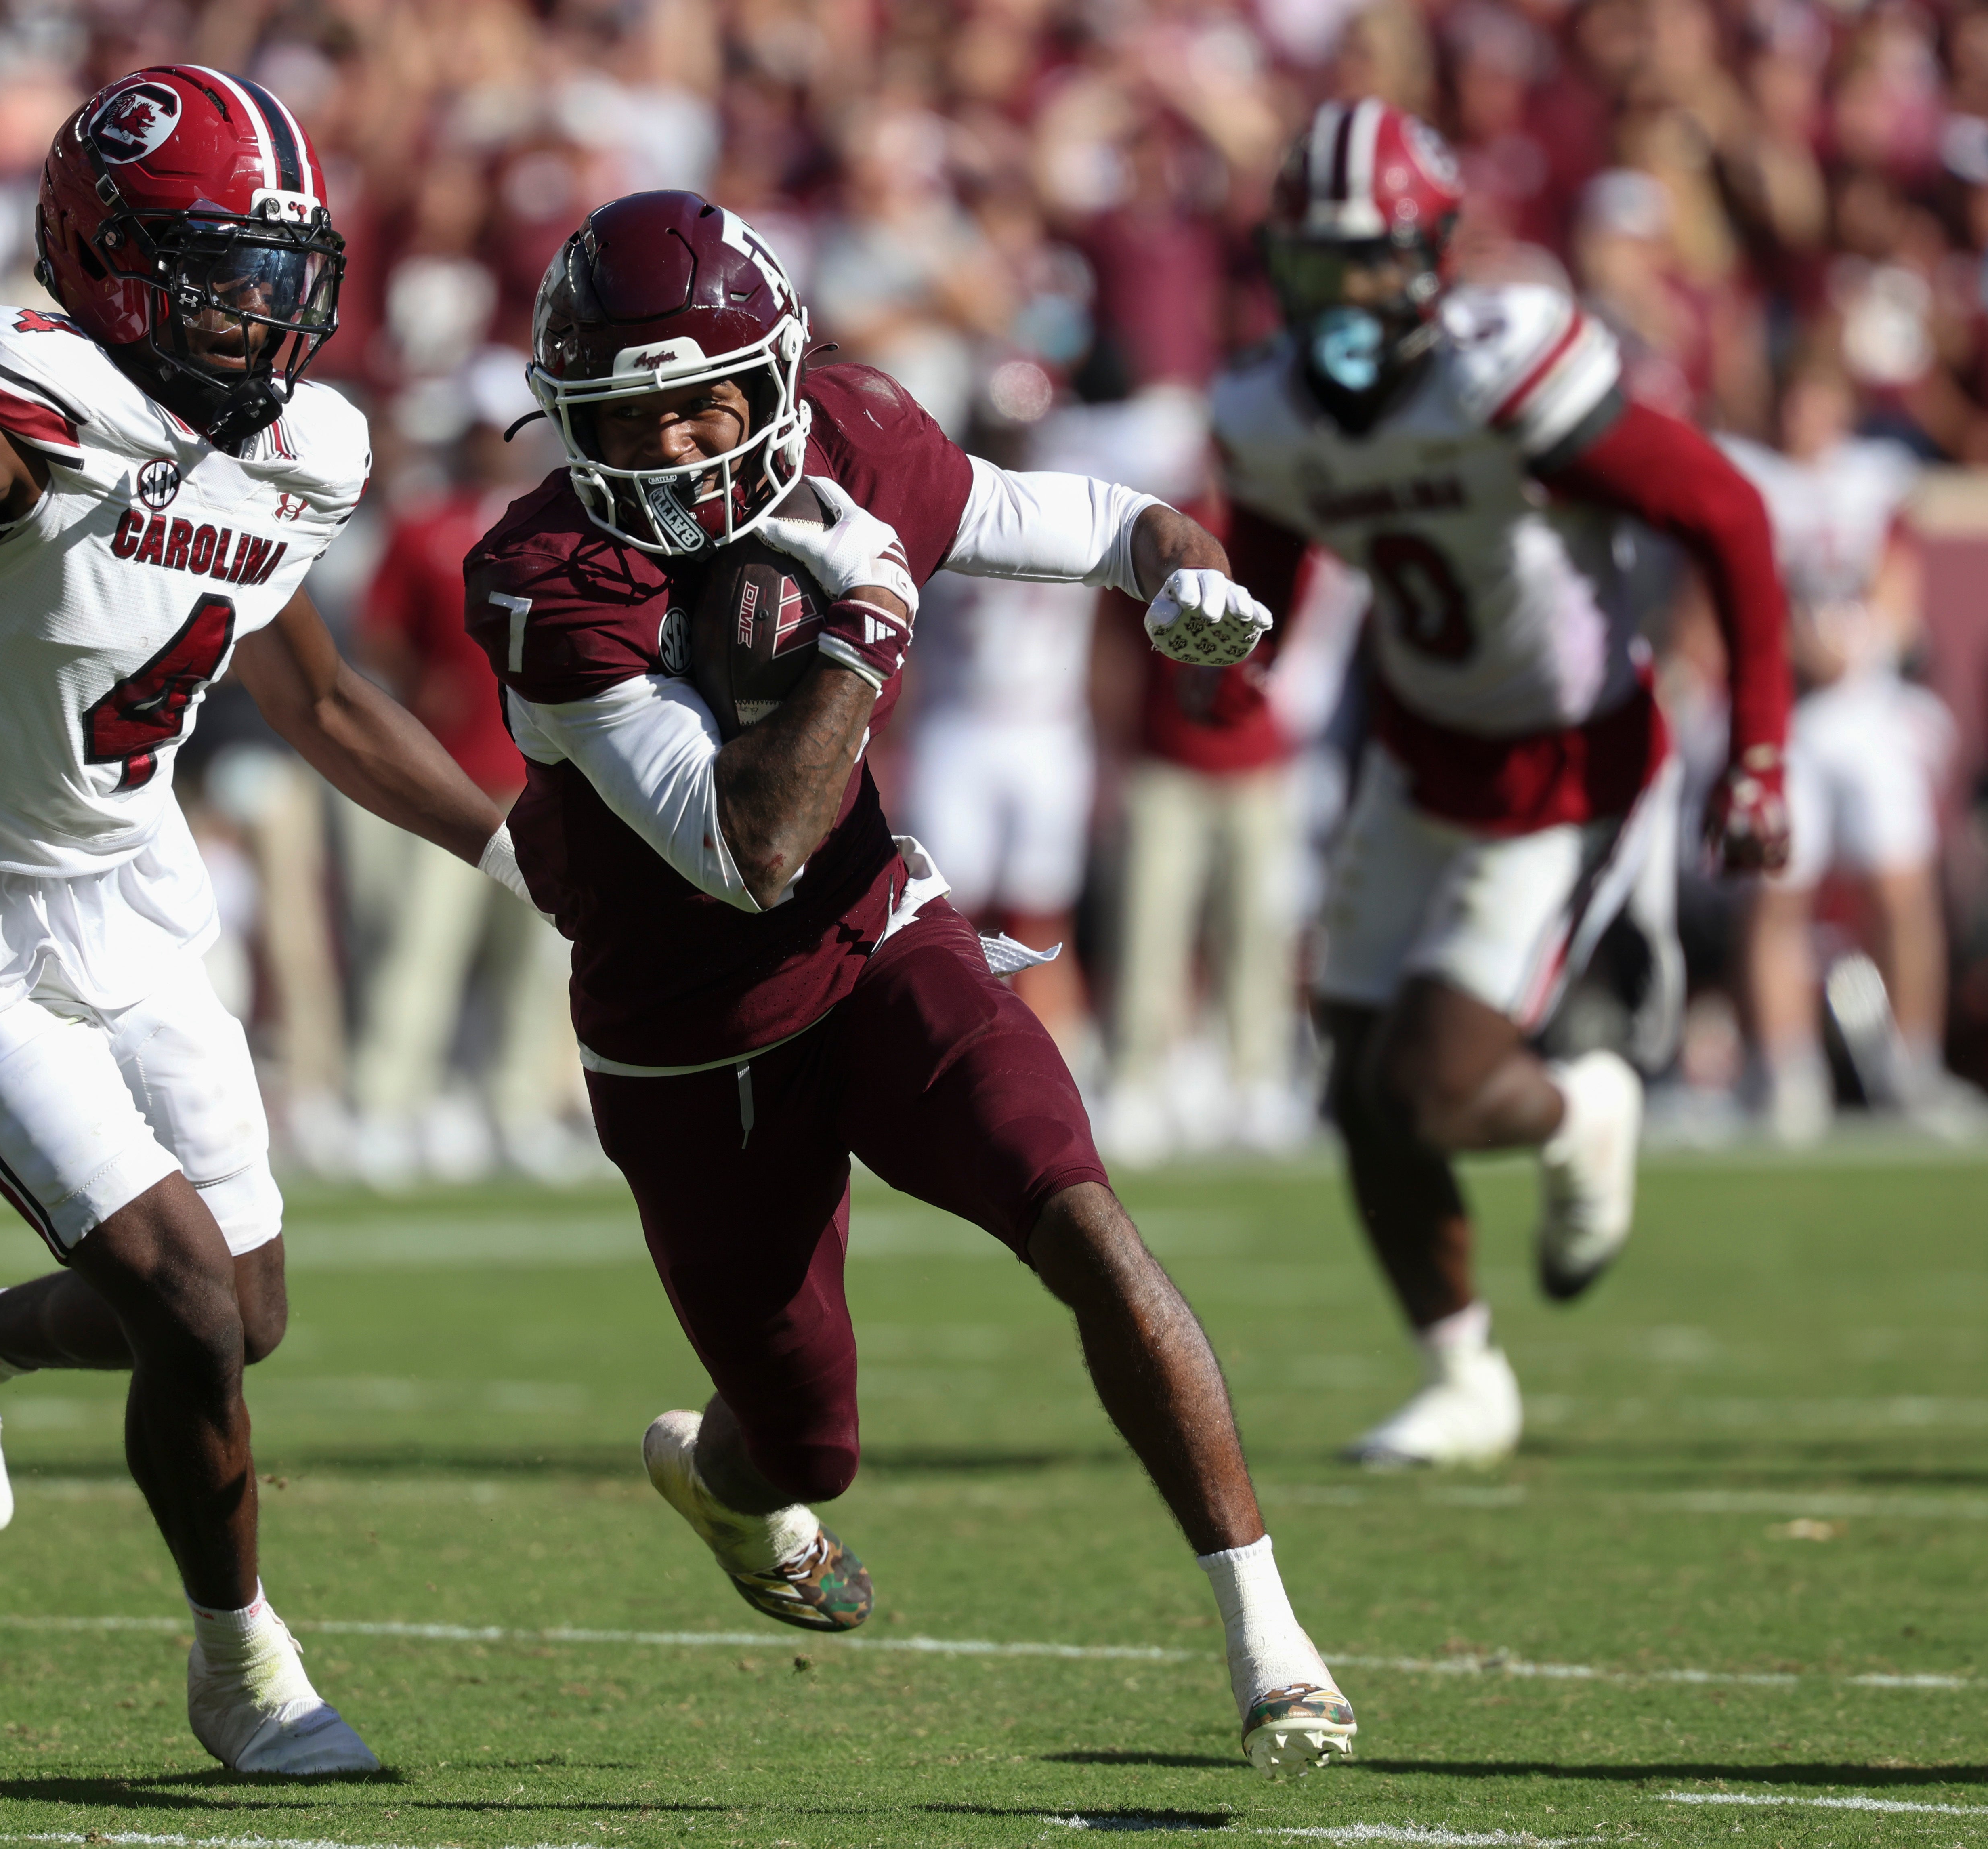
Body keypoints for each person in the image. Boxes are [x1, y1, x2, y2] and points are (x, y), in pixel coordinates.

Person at [466, 190, 1356, 1779]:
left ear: (777, 377)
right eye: (630, 416)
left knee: (1078, 1210)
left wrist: (1179, 575)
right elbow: (746, 845)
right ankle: (722, 1482)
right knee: (803, 1440)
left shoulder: (858, 438)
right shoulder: (546, 576)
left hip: (880, 941)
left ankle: (1271, 1640)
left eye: (703, 403)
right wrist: (868, 622)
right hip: (694, 1044)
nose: (673, 447)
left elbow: (1091, 518)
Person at [0, 68, 519, 1777]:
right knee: (193, 1312)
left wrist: (518, 855)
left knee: (245, 1312)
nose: (264, 306)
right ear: (112, 258)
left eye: (283, 268)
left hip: (121, 879)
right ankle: (247, 1673)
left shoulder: (305, 446)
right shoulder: (34, 386)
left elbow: (323, 700)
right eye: (222, 264)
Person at [1212, 101, 1792, 1469]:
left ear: (1424, 259)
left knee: (1428, 1083)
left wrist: (1758, 746)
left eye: (1366, 262)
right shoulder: (1262, 408)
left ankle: (1584, 1103)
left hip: (1567, 760)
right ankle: (1462, 1374)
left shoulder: (1501, 370)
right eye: (1313, 265)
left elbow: (1724, 510)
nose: (1341, 296)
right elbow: (1275, 559)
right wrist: (1236, 654)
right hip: (1417, 756)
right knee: (1352, 1085)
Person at [1722, 357, 1961, 1140]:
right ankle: (1785, 1074)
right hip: (1779, 707)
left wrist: (1860, 642)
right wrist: (1794, 645)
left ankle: (1912, 1066)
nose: (1804, 415)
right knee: (1778, 891)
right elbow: (1725, 587)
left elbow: (1899, 588)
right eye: (1792, 397)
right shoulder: (1748, 476)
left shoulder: (1874, 480)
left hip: (1863, 704)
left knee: (1901, 887)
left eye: (1817, 396)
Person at [349, 413, 584, 1181]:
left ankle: (520, 1105)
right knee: (424, 945)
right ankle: (387, 1103)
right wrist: (420, 688)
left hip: (542, 777)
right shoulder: (428, 527)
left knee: (535, 957)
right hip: (450, 775)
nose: (498, 443)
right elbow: (379, 628)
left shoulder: (567, 528)